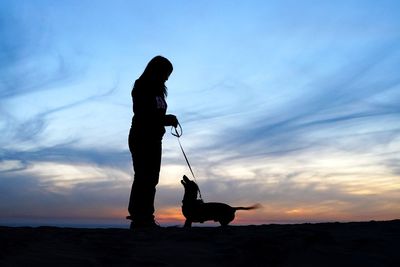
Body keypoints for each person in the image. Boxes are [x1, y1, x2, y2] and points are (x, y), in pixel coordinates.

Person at [127, 56, 178, 229]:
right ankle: (139, 217)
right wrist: (166, 119)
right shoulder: (141, 86)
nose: (167, 78)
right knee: (143, 176)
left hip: (155, 139)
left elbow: (155, 116)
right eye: (165, 74)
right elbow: (143, 114)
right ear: (156, 71)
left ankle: (146, 216)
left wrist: (167, 120)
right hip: (141, 136)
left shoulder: (158, 91)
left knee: (151, 178)